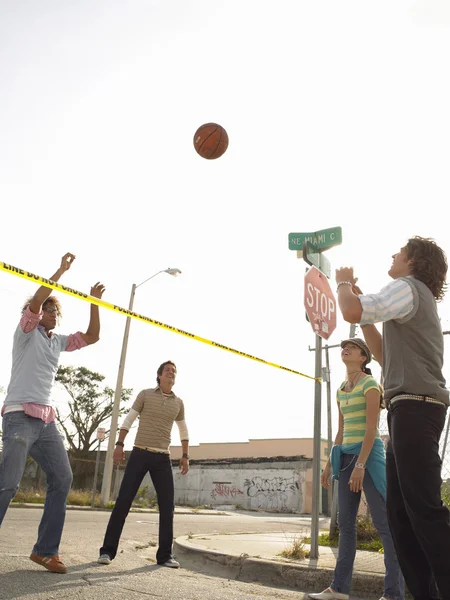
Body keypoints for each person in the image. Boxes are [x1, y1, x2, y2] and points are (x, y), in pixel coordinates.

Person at [336, 236, 450, 600]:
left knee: (424, 511)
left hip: (417, 408)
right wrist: (364, 306)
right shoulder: (416, 297)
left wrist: (341, 283)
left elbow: (351, 312)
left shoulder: (406, 287)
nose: (393, 255)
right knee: (401, 517)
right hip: (409, 410)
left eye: (399, 252)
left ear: (413, 261)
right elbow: (383, 352)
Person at [0, 252, 105, 574]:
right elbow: (38, 298)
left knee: (63, 477)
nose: (53, 313)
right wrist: (60, 270)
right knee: (8, 483)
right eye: (48, 309)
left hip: (45, 422)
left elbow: (93, 337)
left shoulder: (57, 342)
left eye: (56, 310)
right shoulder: (26, 332)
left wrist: (93, 302)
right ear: (34, 313)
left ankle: (45, 551)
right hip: (18, 416)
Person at [309, 338, 404, 600]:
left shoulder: (371, 385)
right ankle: (339, 589)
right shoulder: (341, 389)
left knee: (384, 525)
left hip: (368, 459)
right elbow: (340, 431)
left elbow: (372, 429)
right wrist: (329, 464)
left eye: (351, 347)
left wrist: (361, 466)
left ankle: (393, 594)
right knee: (345, 525)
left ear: (364, 357)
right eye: (343, 347)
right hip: (346, 458)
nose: (345, 349)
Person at [98, 360, 189, 568]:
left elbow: (183, 430)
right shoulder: (145, 394)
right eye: (167, 370)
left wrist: (185, 455)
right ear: (159, 375)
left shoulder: (178, 403)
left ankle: (165, 555)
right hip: (140, 453)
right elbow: (129, 419)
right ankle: (107, 551)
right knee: (123, 502)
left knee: (167, 507)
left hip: (162, 458)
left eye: (174, 371)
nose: (171, 373)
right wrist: (120, 444)